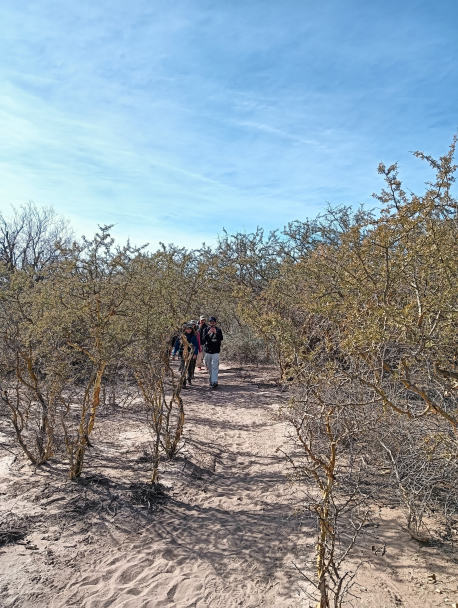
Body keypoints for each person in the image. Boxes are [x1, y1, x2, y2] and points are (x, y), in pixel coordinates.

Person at [202, 316, 223, 388]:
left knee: (215, 367)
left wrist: (216, 333)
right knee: (209, 367)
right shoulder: (205, 329)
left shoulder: (219, 330)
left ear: (215, 323)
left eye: (213, 322)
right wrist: (208, 333)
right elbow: (203, 339)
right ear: (209, 323)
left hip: (216, 351)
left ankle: (214, 381)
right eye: (211, 322)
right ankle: (211, 380)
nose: (212, 324)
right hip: (208, 351)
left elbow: (221, 339)